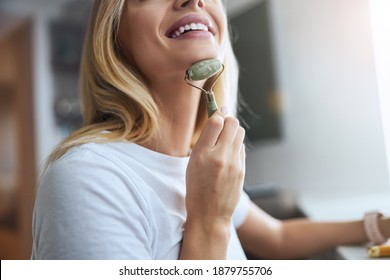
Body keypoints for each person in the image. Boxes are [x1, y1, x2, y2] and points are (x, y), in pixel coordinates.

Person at [31, 0, 390, 260]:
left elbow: (277, 236)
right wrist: (209, 222)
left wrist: (378, 227)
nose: (193, 0)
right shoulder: (87, 178)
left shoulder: (192, 160)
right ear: (113, 39)